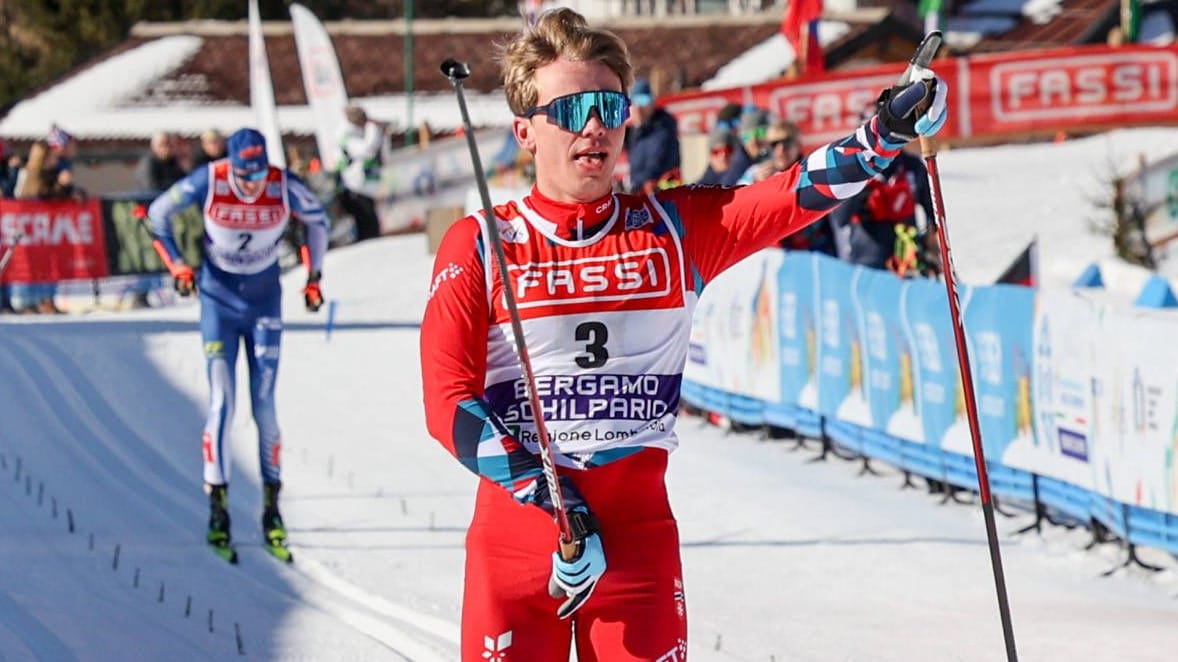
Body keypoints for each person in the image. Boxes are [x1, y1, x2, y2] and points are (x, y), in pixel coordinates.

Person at [419, 8, 946, 660]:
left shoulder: (674, 227)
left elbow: (792, 193)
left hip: (637, 547)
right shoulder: (480, 245)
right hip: (520, 547)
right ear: (525, 130)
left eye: (610, 107)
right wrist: (546, 496)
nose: (595, 126)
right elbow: (446, 403)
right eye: (574, 108)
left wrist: (885, 133)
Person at [147, 128, 330, 559]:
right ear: (230, 165)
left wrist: (314, 276)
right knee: (221, 403)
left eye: (258, 175)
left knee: (264, 406)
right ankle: (218, 510)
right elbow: (157, 215)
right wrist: (177, 266)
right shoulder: (209, 179)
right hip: (219, 303)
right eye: (244, 176)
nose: (251, 186)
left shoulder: (282, 183)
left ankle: (272, 511)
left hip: (264, 301)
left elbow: (318, 221)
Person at [336, 104, 385, 242]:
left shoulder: (359, 133)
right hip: (355, 187)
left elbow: (378, 154)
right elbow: (368, 150)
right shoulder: (347, 135)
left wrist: (381, 133)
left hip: (366, 187)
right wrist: (373, 129)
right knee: (368, 231)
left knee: (372, 228)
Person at [623, 77, 680, 193]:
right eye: (635, 102)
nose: (639, 108)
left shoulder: (663, 128)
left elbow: (655, 166)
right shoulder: (634, 131)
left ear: (652, 103)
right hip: (640, 192)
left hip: (663, 195)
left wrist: (633, 185)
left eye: (643, 101)